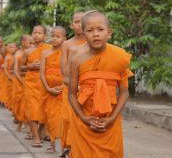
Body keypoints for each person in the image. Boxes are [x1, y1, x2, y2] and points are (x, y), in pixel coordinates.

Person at [68, 11, 133, 158]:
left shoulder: (120, 57)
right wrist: (83, 118)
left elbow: (124, 92)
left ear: (109, 33)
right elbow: (71, 94)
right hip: (84, 121)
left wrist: (111, 119)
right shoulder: (76, 60)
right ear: (83, 35)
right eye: (90, 31)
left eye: (100, 29)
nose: (95, 34)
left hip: (110, 120)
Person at [59, 11, 87, 156]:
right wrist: (76, 87)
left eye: (83, 21)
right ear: (71, 25)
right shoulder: (67, 45)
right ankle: (68, 147)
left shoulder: (94, 44)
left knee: (84, 121)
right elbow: (64, 73)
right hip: (70, 88)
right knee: (68, 119)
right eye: (76, 21)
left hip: (89, 90)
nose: (80, 24)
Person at [21, 25, 51, 147]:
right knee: (32, 110)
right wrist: (30, 66)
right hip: (31, 83)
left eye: (39, 33)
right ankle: (36, 138)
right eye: (34, 32)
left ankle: (40, 131)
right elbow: (20, 67)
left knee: (45, 110)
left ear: (45, 35)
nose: (36, 35)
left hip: (46, 82)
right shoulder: (27, 51)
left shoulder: (50, 49)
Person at [40, 26, 66, 152]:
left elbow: (69, 73)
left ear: (64, 38)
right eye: (53, 36)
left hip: (63, 90)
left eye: (58, 36)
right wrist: (48, 88)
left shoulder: (67, 53)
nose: (54, 38)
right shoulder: (45, 53)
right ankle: (51, 143)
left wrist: (62, 87)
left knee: (63, 117)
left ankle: (64, 145)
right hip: (48, 91)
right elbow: (42, 74)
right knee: (50, 117)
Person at [13, 35, 34, 132]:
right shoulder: (18, 54)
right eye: (30, 42)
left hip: (31, 80)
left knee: (29, 104)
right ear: (23, 43)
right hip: (20, 81)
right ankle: (20, 123)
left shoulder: (33, 52)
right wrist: (22, 81)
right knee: (20, 103)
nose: (32, 44)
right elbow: (16, 70)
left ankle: (30, 127)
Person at [4, 43, 18, 111]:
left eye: (13, 47)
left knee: (15, 93)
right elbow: (5, 69)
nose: (11, 49)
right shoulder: (7, 57)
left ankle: (15, 108)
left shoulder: (18, 55)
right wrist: (9, 77)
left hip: (16, 76)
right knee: (10, 93)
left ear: (17, 48)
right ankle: (11, 107)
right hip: (9, 77)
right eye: (10, 47)